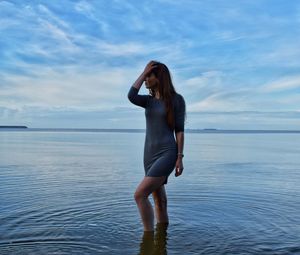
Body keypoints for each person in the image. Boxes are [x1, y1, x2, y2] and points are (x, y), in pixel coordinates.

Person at [127, 60, 186, 232]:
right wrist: (144, 72)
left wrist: (179, 158)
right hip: (149, 155)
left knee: (139, 195)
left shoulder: (177, 100)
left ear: (158, 77)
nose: (145, 80)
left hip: (167, 153)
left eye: (148, 76)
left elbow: (179, 131)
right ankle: (161, 240)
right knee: (160, 201)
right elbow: (131, 95)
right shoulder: (148, 101)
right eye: (144, 76)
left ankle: (147, 238)